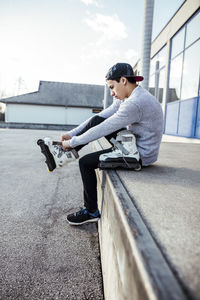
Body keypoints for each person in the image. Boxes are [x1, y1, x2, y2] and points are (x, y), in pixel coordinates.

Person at [60, 62, 164, 226]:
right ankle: (68, 152)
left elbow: (103, 128)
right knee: (96, 119)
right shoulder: (129, 96)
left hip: (138, 154)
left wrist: (73, 142)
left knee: (85, 163)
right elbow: (100, 117)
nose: (112, 93)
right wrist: (72, 134)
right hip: (131, 144)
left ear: (123, 81)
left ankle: (91, 211)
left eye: (112, 87)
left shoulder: (134, 103)